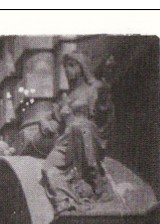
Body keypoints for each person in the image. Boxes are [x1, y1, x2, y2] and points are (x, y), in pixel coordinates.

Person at [41, 51, 113, 213]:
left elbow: (103, 112)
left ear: (82, 67)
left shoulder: (94, 88)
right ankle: (65, 201)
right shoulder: (67, 97)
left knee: (80, 127)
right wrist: (44, 122)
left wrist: (105, 85)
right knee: (48, 166)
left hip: (86, 135)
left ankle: (95, 182)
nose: (67, 70)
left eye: (72, 65)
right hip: (66, 140)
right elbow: (51, 117)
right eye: (65, 67)